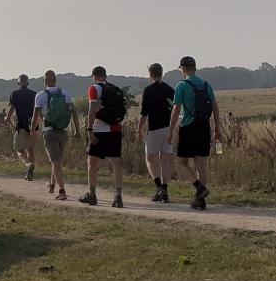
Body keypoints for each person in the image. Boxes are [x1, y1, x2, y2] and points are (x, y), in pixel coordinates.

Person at [167, 56, 223, 210]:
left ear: (183, 69)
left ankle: (200, 188)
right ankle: (200, 200)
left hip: (189, 126)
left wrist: (171, 130)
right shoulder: (206, 85)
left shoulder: (182, 85)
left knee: (181, 162)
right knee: (200, 162)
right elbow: (215, 107)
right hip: (204, 126)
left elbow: (176, 109)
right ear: (195, 68)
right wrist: (218, 128)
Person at [79, 66, 126, 207]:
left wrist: (89, 129)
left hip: (99, 130)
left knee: (92, 164)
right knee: (116, 163)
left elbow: (92, 110)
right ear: (105, 75)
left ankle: (92, 195)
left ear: (94, 76)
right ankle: (118, 197)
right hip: (115, 130)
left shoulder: (94, 88)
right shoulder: (115, 89)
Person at [30, 70, 76, 200]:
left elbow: (35, 116)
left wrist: (33, 130)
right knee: (57, 160)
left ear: (45, 81)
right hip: (63, 130)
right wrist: (77, 129)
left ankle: (62, 190)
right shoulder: (66, 93)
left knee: (55, 161)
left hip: (49, 131)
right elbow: (74, 113)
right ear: (55, 80)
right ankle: (51, 185)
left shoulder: (41, 95)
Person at [137, 62, 175, 202]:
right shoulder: (170, 89)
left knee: (150, 159)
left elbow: (144, 113)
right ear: (162, 73)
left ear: (150, 74)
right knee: (165, 161)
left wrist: (140, 128)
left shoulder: (148, 90)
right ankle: (165, 190)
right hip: (168, 128)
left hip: (154, 129)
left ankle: (159, 187)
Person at [4, 74, 38, 180]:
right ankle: (30, 173)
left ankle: (28, 164)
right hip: (33, 125)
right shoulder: (34, 94)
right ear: (28, 83)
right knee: (30, 148)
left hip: (22, 125)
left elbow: (11, 108)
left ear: (18, 83)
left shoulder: (14, 94)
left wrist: (7, 118)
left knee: (19, 150)